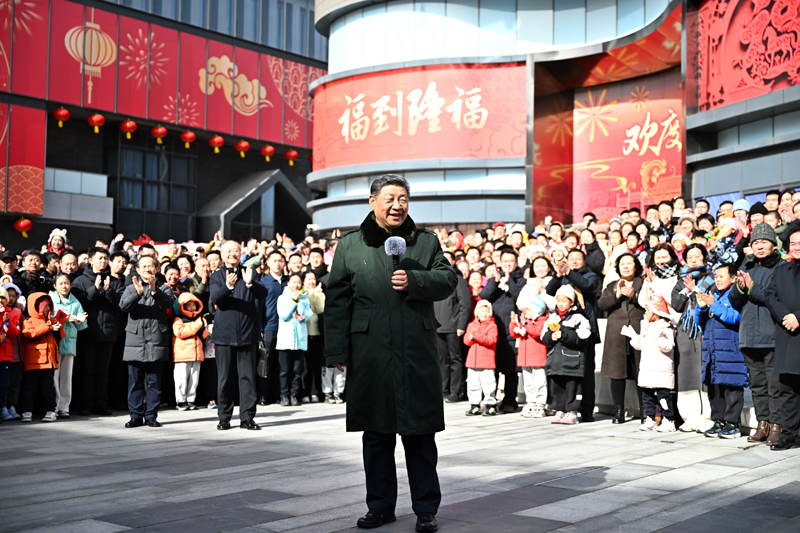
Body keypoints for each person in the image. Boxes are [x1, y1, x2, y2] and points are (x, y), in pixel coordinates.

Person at [324, 174, 458, 531]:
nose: (397, 205)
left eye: (403, 199)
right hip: (371, 352)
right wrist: (336, 349)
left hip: (416, 349)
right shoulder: (351, 245)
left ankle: (426, 509)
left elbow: (448, 280)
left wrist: (416, 281)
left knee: (420, 433)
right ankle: (380, 506)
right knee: (376, 433)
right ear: (372, 202)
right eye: (390, 198)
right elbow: (337, 301)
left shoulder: (426, 243)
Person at [729, 223, 784, 445]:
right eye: (756, 242)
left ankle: (777, 426)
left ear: (773, 244)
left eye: (764, 242)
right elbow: (734, 301)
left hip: (771, 336)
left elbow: (776, 299)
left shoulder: (782, 268)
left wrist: (752, 288)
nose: (760, 246)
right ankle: (762, 424)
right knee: (758, 385)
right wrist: (740, 288)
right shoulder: (747, 266)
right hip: (748, 336)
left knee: (775, 385)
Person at [210, 240, 268, 431]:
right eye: (228, 251)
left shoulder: (249, 272)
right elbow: (216, 299)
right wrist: (227, 286)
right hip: (224, 334)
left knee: (247, 378)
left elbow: (263, 293)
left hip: (247, 333)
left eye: (236, 250)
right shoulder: (216, 276)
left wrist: (250, 283)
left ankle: (247, 418)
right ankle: (224, 417)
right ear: (222, 254)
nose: (232, 254)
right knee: (224, 378)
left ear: (241, 253)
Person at [119, 255, 175, 428]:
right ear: (137, 269)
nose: (147, 269)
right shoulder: (130, 287)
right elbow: (123, 307)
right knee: (134, 381)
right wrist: (137, 293)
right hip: (135, 341)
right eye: (143, 266)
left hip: (156, 340)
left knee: (154, 381)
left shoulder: (164, 288)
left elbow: (167, 304)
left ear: (157, 269)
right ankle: (135, 415)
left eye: (150, 266)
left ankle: (151, 415)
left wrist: (153, 290)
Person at [546, 249, 601, 421]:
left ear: (584, 261)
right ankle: (563, 408)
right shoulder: (563, 277)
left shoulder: (591, 276)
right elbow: (549, 290)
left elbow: (588, 286)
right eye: (571, 259)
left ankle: (586, 411)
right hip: (563, 330)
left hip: (585, 330)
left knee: (586, 372)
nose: (574, 261)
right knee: (565, 371)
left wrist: (568, 273)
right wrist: (558, 274)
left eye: (578, 259)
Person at [696, 264, 748, 439]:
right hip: (712, 350)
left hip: (730, 351)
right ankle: (718, 421)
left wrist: (713, 304)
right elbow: (700, 322)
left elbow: (734, 317)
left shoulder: (735, 296)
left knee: (732, 387)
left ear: (733, 278)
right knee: (714, 388)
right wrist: (701, 307)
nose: (717, 279)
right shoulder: (714, 296)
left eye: (721, 276)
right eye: (716, 276)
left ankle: (732, 424)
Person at [72, 247, 124, 416]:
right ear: (90, 260)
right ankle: (86, 404)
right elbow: (78, 304)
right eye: (100, 258)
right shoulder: (80, 280)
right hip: (87, 332)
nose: (103, 261)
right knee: (87, 370)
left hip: (108, 333)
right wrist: (94, 289)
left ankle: (101, 404)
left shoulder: (114, 280)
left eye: (105, 258)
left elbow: (120, 305)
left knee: (103, 371)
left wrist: (108, 291)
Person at [671, 243, 714, 432]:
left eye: (698, 256)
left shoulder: (713, 278)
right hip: (686, 332)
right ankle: (690, 417)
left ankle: (707, 417)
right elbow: (676, 304)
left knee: (704, 373)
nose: (694, 259)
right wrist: (687, 290)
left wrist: (696, 289)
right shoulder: (681, 280)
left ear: (704, 257)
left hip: (705, 329)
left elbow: (710, 301)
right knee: (686, 374)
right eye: (690, 257)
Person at [764, 222, 800, 450]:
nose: (796, 247)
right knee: (787, 390)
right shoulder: (781, 269)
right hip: (788, 336)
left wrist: (799, 317)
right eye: (793, 243)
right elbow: (770, 295)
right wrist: (786, 316)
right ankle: (788, 435)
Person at [598, 253, 645, 424]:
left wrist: (635, 295)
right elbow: (602, 305)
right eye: (622, 264)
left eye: (629, 263)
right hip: (616, 335)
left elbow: (652, 303)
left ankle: (644, 410)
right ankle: (618, 410)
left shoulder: (644, 283)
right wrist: (616, 295)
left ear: (635, 266)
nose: (625, 267)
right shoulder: (612, 285)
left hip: (638, 331)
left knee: (641, 372)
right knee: (616, 373)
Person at [622, 295, 677, 432]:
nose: (645, 313)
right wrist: (633, 336)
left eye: (647, 310)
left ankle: (668, 420)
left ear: (656, 312)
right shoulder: (647, 326)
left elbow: (668, 346)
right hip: (647, 368)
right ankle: (650, 418)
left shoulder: (666, 328)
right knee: (647, 396)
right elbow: (642, 345)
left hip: (661, 370)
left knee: (663, 397)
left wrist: (659, 337)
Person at [479, 248, 525, 412]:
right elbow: (484, 296)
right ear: (499, 262)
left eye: (510, 261)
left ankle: (510, 401)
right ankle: (490, 400)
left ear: (516, 263)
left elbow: (520, 297)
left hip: (512, 331)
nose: (507, 264)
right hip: (494, 331)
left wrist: (509, 280)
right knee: (493, 368)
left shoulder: (521, 280)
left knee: (511, 370)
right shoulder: (494, 279)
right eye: (504, 261)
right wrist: (495, 281)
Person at [542, 285, 591, 425]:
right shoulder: (552, 317)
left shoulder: (579, 317)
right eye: (559, 300)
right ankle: (559, 409)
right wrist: (551, 337)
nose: (561, 303)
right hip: (556, 361)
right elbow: (543, 336)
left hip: (573, 361)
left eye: (565, 300)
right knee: (557, 387)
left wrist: (563, 334)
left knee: (572, 387)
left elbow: (583, 336)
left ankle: (572, 411)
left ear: (572, 302)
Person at [20, 292, 64, 423]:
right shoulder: (29, 321)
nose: (48, 309)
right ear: (37, 306)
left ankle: (51, 411)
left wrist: (58, 327)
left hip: (49, 361)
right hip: (34, 361)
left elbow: (62, 335)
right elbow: (29, 334)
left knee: (48, 388)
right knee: (30, 388)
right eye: (45, 306)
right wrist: (48, 327)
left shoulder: (52, 320)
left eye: (49, 306)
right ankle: (27, 411)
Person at [434, 251, 472, 403]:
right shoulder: (435, 279)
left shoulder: (458, 280)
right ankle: (443, 390)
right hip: (437, 327)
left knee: (455, 359)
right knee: (441, 360)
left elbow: (466, 305)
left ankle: (456, 392)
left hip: (454, 327)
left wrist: (461, 325)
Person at [49, 274, 88, 418]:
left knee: (66, 377)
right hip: (55, 342)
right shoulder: (51, 299)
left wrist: (79, 321)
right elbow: (48, 318)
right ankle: (53, 406)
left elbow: (82, 326)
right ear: (55, 286)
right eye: (60, 283)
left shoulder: (75, 302)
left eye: (66, 283)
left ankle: (64, 408)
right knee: (54, 376)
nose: (64, 286)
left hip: (70, 343)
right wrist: (66, 318)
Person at [276, 273, 313, 406]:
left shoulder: (305, 298)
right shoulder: (282, 298)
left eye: (298, 282)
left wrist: (303, 310)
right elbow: (284, 315)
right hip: (285, 341)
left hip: (300, 340)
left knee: (297, 371)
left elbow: (309, 313)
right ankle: (284, 395)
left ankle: (294, 394)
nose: (296, 285)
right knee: (284, 371)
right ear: (288, 283)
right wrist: (294, 301)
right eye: (293, 282)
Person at [510, 296, 549, 418]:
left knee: (539, 382)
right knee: (528, 383)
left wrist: (526, 324)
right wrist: (514, 323)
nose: (526, 313)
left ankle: (540, 403)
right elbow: (514, 333)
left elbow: (537, 333)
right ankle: (530, 401)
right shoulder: (526, 323)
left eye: (529, 310)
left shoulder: (542, 322)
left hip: (537, 358)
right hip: (525, 358)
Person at [172, 293, 209, 411]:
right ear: (182, 306)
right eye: (189, 305)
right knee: (181, 378)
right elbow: (181, 333)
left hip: (197, 354)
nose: (192, 308)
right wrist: (198, 323)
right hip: (183, 355)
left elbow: (204, 335)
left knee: (194, 379)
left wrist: (204, 325)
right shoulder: (179, 319)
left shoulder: (199, 319)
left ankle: (190, 399)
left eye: (194, 305)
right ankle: (180, 400)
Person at [259, 250, 286, 405]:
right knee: (266, 362)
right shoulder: (264, 282)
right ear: (268, 263)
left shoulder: (288, 282)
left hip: (286, 329)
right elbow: (260, 308)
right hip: (269, 327)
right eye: (274, 260)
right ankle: (263, 395)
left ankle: (277, 394)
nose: (277, 263)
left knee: (280, 363)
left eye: (280, 260)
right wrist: (261, 328)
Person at [464, 299, 498, 416]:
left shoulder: (492, 326)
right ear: (476, 312)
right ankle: (474, 405)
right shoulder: (471, 325)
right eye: (481, 311)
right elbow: (466, 341)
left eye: (486, 311)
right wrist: (471, 337)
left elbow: (491, 340)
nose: (484, 314)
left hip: (486, 361)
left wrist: (477, 337)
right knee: (473, 384)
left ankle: (490, 405)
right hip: (472, 362)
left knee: (488, 385)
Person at [302, 271, 325, 402]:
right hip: (304, 334)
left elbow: (320, 309)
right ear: (303, 281)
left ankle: (315, 391)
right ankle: (305, 392)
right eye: (308, 279)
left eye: (313, 279)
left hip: (316, 333)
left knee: (316, 364)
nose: (311, 281)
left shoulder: (319, 293)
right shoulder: (300, 293)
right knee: (305, 366)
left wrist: (317, 294)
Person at [0, 287, 20, 424]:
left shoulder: (12, 314)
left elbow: (14, 332)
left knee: (3, 384)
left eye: (3, 298)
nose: (0, 301)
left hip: (5, 356)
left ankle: (2, 408)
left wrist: (6, 320)